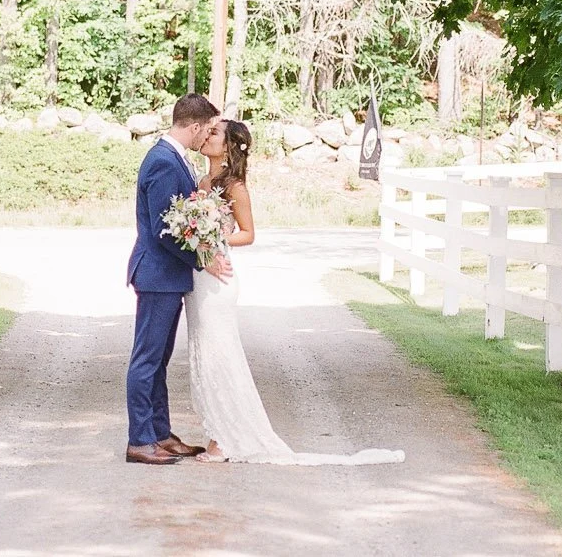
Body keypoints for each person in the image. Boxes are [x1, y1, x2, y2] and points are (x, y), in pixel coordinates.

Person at [185, 117, 404, 466]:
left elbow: (248, 233)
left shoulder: (235, 186)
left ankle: (227, 440)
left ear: (227, 147)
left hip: (220, 279)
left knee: (222, 354)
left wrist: (213, 237)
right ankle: (217, 433)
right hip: (200, 280)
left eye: (214, 133)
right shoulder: (202, 181)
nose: (207, 136)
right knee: (204, 354)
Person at [123, 93, 229, 465]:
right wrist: (204, 260)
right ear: (196, 127)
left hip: (166, 276)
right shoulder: (164, 162)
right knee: (147, 359)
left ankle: (160, 433)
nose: (208, 138)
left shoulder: (172, 158)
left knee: (160, 359)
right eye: (209, 130)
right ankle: (139, 440)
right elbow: (165, 230)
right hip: (157, 275)